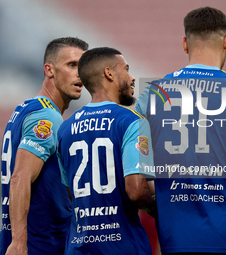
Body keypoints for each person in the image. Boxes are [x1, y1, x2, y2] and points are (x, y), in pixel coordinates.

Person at [136, 7, 226, 255]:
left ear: (185, 43)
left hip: (174, 242)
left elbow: (139, 175)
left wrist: (158, 202)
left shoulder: (153, 94)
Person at [0, 37, 89, 255]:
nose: (79, 74)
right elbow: (19, 177)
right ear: (49, 70)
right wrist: (19, 242)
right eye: (72, 65)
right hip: (39, 244)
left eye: (82, 67)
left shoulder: (25, 108)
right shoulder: (47, 117)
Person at [57, 47, 155, 255]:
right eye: (126, 69)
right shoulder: (131, 122)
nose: (132, 77)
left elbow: (69, 193)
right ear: (109, 73)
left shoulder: (64, 130)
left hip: (78, 247)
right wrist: (157, 209)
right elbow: (136, 191)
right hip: (122, 246)